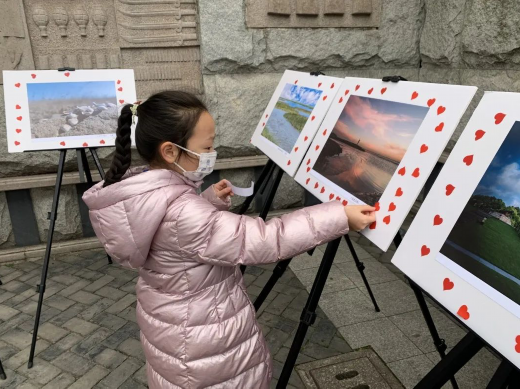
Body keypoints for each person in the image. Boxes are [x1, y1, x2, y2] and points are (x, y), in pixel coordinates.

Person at [82, 91, 376, 389]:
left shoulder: (146, 192)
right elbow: (264, 240)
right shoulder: (184, 212)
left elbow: (179, 235)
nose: (213, 151)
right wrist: (339, 217)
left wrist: (207, 201)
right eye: (207, 146)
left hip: (177, 331)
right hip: (206, 350)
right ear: (170, 151)